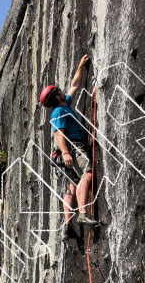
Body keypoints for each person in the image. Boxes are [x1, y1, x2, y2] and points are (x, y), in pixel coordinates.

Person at [39, 55, 100, 240]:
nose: (61, 89)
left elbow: (75, 85)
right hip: (73, 148)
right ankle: (82, 215)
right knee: (87, 174)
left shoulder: (64, 104)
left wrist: (81, 65)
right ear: (56, 96)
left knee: (72, 186)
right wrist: (66, 152)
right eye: (58, 89)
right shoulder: (59, 111)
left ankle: (67, 225)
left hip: (68, 152)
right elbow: (59, 133)